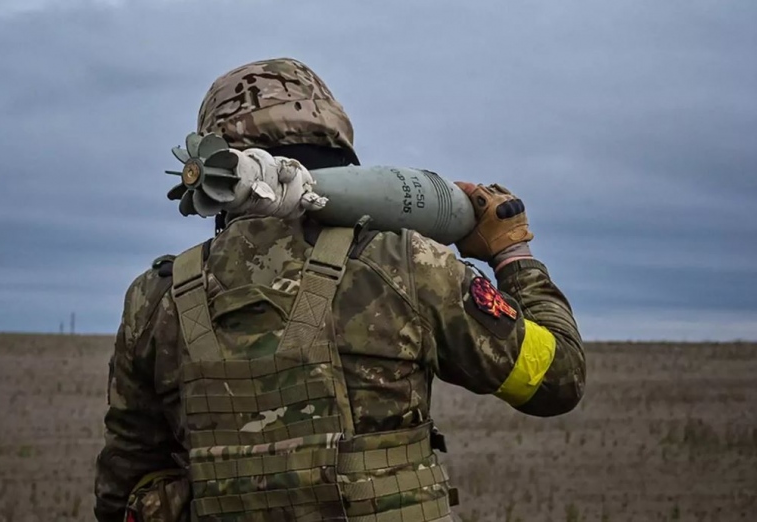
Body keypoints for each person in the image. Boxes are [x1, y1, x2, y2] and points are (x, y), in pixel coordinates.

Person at [94, 57, 585, 522]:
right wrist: (512, 253)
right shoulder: (406, 264)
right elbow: (556, 380)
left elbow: (125, 481)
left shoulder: (156, 297)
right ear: (339, 149)